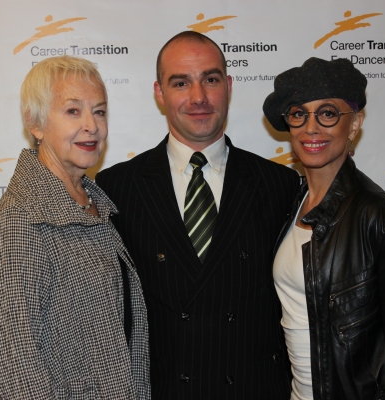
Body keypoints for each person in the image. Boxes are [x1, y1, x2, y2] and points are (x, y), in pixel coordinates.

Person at [96, 31, 300, 399]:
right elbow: (100, 299)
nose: (199, 98)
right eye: (181, 82)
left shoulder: (279, 184)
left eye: (210, 79)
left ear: (229, 85)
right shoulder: (117, 187)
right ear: (159, 93)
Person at [263, 57, 385, 399]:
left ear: (355, 123)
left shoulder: (380, 217)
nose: (311, 128)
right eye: (299, 114)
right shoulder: (291, 204)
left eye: (328, 113)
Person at [0, 56, 150, 399]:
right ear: (36, 123)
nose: (92, 125)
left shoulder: (94, 202)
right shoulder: (23, 218)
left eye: (99, 111)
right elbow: (18, 367)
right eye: (73, 111)